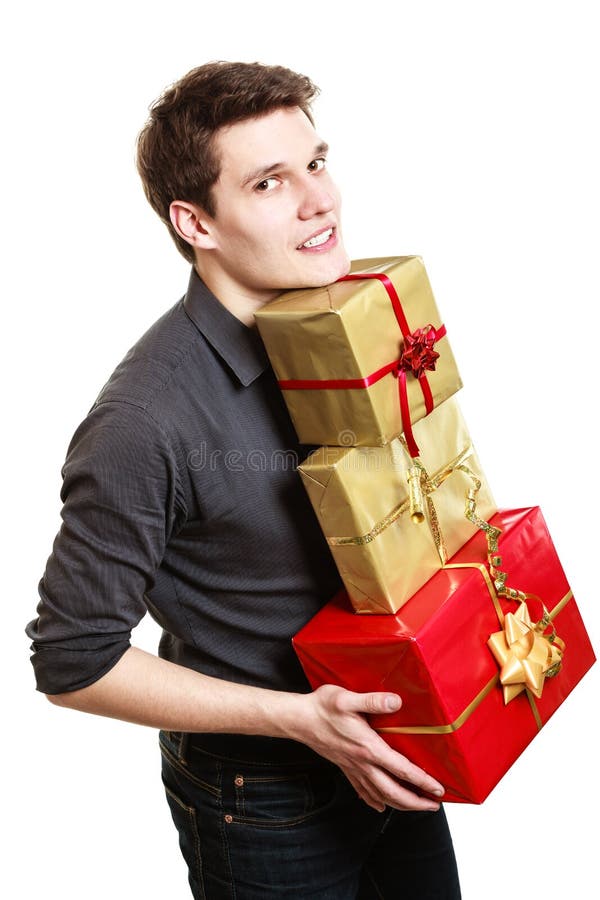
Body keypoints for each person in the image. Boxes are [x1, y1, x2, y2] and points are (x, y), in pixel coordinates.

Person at [26, 61, 462, 899]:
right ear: (197, 222)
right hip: (262, 794)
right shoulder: (141, 421)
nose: (319, 201)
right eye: (269, 182)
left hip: (392, 738)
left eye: (318, 163)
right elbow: (72, 659)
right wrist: (302, 721)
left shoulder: (350, 324)